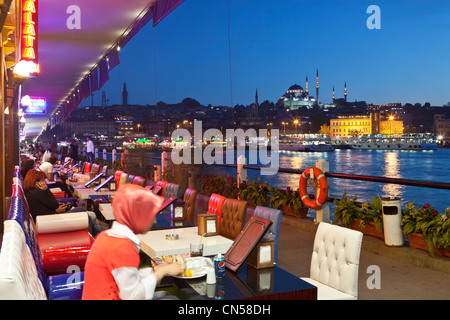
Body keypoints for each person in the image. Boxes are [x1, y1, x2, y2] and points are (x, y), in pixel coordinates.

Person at [82, 184, 186, 300]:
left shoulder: (107, 236)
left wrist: (159, 268)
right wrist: (162, 272)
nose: (155, 220)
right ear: (138, 215)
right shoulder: (122, 248)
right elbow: (132, 296)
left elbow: (128, 278)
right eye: (151, 214)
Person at [24, 169, 105, 236]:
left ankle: (101, 232)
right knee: (84, 213)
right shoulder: (39, 192)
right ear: (37, 182)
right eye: (42, 180)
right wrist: (46, 190)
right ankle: (100, 234)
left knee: (86, 213)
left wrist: (55, 210)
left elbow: (45, 208)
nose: (44, 182)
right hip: (50, 220)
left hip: (47, 219)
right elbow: (54, 204)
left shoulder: (30, 192)